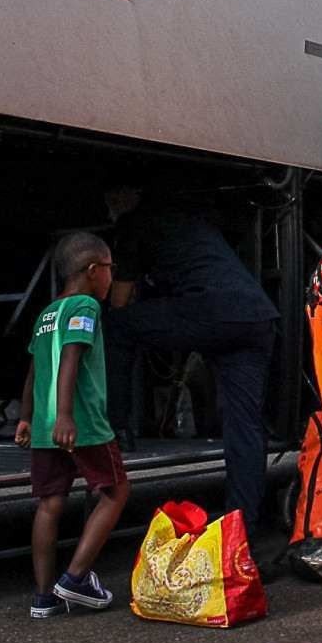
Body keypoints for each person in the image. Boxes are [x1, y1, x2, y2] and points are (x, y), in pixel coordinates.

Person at [104, 190, 278, 523]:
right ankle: (241, 533)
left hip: (210, 312)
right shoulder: (191, 220)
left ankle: (116, 426)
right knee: (244, 428)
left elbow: (120, 300)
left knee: (116, 326)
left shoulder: (133, 223)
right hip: (255, 317)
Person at [17, 231, 130, 618]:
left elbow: (34, 368)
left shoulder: (47, 312)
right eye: (111, 269)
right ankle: (76, 578)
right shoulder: (85, 306)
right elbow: (71, 354)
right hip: (81, 422)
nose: (112, 278)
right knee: (116, 491)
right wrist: (67, 414)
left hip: (47, 425)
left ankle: (43, 597)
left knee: (50, 503)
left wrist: (27, 416)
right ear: (94, 270)